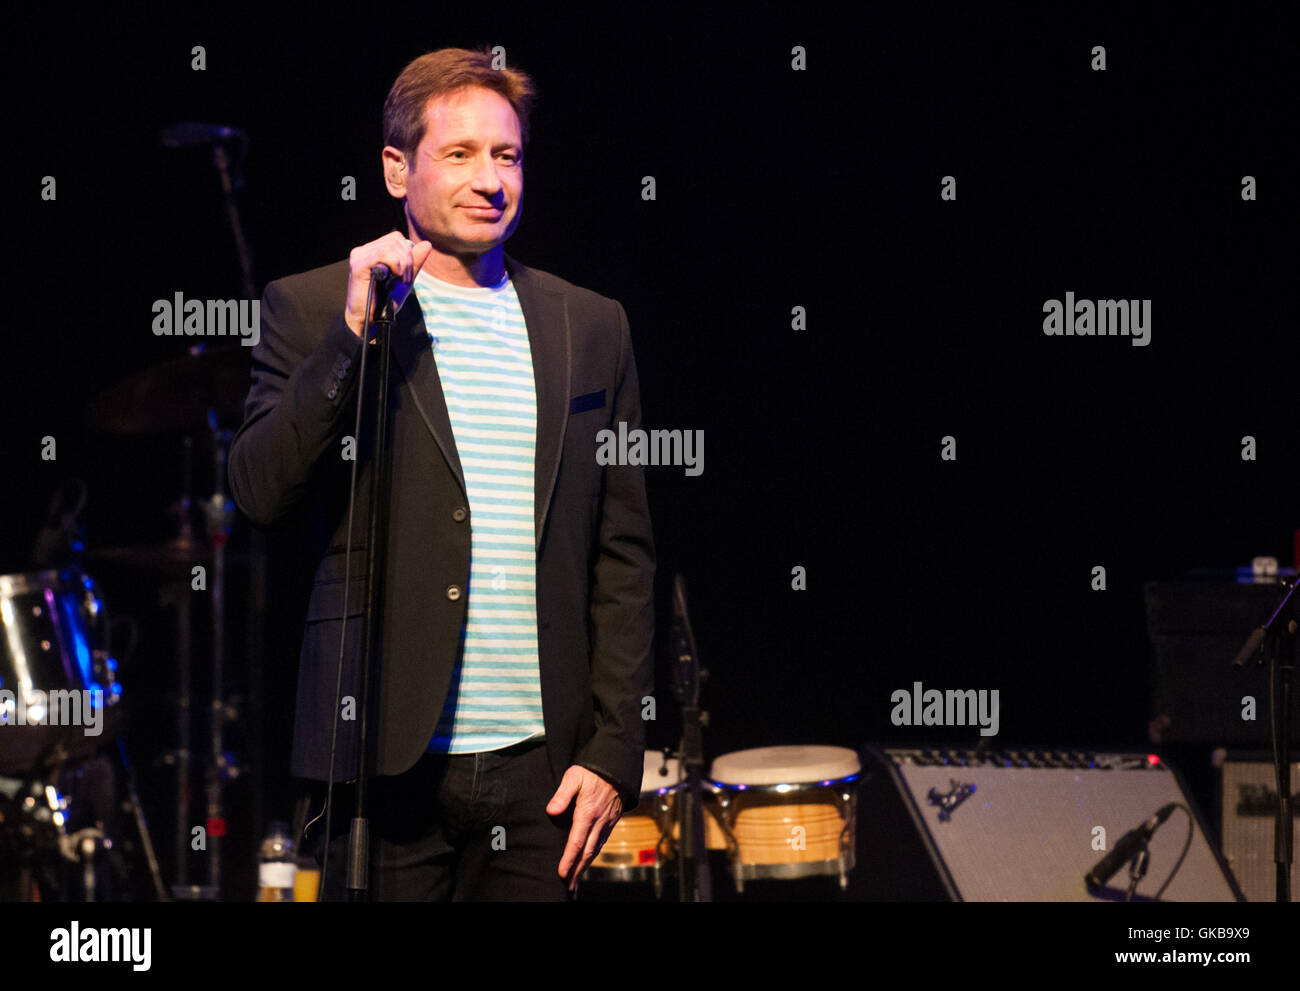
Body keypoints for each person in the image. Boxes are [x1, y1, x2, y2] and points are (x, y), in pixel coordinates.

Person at [227, 47, 655, 900]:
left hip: (543, 772)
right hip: (384, 763)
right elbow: (258, 489)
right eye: (459, 154)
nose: (490, 179)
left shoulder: (591, 325)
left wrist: (613, 750)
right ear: (397, 168)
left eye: (507, 155)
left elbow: (625, 551)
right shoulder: (313, 304)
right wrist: (352, 336)